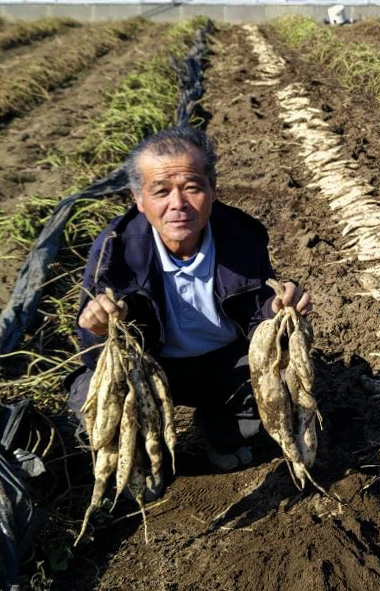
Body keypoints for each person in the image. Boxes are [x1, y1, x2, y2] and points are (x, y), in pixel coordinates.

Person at [65, 126, 312, 493]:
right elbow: (92, 352)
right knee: (94, 396)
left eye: (192, 187)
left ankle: (218, 428)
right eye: (161, 191)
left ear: (212, 191)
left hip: (226, 364)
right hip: (151, 367)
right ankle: (142, 464)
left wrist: (279, 308)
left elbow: (258, 309)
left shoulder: (241, 235)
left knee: (281, 385)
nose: (178, 203)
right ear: (139, 198)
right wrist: (97, 328)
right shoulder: (114, 250)